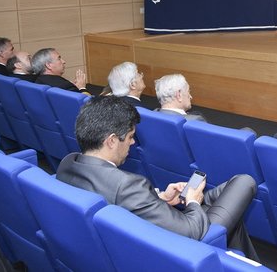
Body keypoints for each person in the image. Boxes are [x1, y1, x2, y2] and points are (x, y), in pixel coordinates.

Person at [56, 96, 258, 260]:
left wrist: (159, 198)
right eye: (130, 137)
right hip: (182, 247)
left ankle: (245, 263)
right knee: (244, 182)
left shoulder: (67, 164)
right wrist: (193, 202)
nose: (133, 143)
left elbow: (124, 202)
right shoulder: (126, 185)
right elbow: (191, 232)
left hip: (134, 240)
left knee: (230, 213)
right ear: (111, 141)